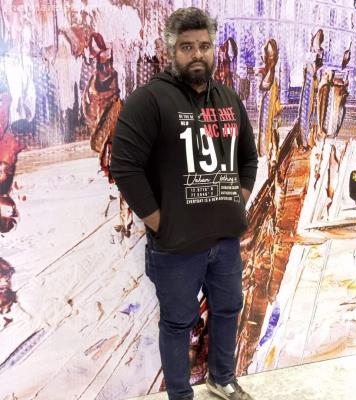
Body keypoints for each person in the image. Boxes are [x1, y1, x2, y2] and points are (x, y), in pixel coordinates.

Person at [110, 7, 258, 400]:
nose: (197, 54)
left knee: (227, 309)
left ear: (213, 50)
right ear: (171, 51)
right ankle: (179, 394)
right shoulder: (149, 100)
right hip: (176, 246)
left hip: (224, 241)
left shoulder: (229, 99)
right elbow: (124, 166)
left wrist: (236, 201)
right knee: (178, 323)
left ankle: (221, 378)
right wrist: (160, 221)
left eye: (204, 46)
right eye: (187, 46)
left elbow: (248, 158)